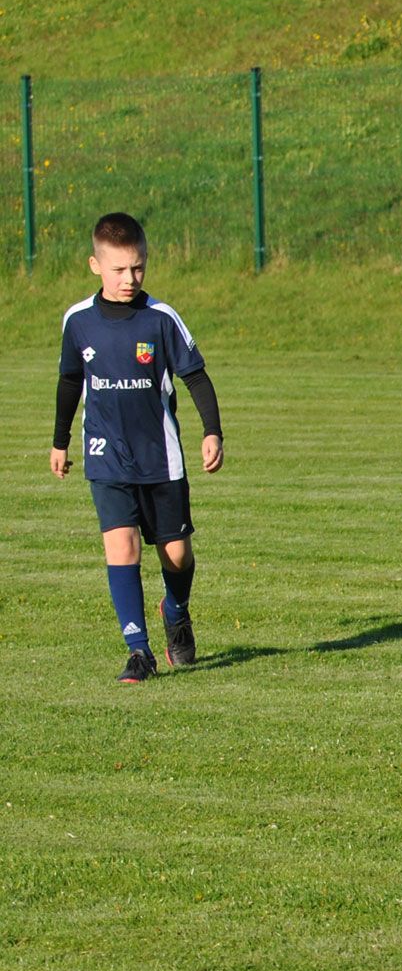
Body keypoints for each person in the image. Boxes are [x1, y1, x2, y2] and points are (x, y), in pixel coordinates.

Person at [50, 212, 225, 682]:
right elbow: (70, 381)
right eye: (119, 269)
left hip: (160, 457)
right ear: (95, 265)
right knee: (121, 545)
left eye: (138, 268)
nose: (130, 279)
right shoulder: (78, 322)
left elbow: (196, 376)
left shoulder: (161, 319)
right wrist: (60, 441)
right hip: (106, 455)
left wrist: (212, 431)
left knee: (176, 554)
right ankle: (138, 651)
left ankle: (176, 609)